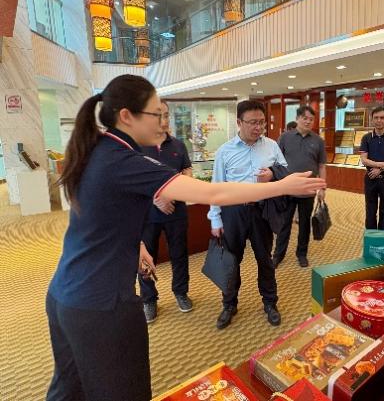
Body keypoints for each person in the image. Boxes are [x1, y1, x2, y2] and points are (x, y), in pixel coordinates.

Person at [46, 75, 325, 401]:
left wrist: (136, 244)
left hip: (65, 294)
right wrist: (282, 186)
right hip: (101, 304)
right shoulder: (125, 160)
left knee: (68, 389)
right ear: (126, 116)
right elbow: (213, 192)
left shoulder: (99, 149)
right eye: (156, 114)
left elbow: (100, 215)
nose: (164, 123)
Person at [208, 100, 289, 330]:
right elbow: (216, 187)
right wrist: (215, 218)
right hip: (233, 211)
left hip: (261, 211)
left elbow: (285, 171)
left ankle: (270, 303)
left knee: (265, 259)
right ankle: (229, 304)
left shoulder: (271, 145)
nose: (258, 127)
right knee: (231, 261)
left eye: (261, 122)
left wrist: (272, 173)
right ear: (239, 122)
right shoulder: (225, 151)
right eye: (253, 122)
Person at [138, 100, 193, 324]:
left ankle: (181, 292)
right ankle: (149, 299)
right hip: (146, 215)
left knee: (179, 254)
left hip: (176, 211)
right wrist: (157, 199)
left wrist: (170, 196)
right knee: (146, 258)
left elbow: (187, 173)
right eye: (157, 115)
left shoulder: (178, 145)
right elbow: (133, 182)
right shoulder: (137, 146)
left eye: (167, 115)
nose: (163, 120)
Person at [274, 105, 327, 268]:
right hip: (287, 189)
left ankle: (301, 254)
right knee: (284, 224)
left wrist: (322, 187)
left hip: (308, 190)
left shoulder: (318, 141)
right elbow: (276, 161)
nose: (308, 121)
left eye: (311, 119)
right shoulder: (285, 137)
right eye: (305, 118)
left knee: (304, 224)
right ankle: (278, 255)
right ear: (297, 118)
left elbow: (322, 166)